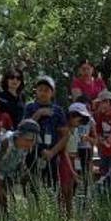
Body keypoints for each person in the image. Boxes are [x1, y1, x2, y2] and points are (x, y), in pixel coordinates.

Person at [23, 76, 72, 205]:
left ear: (52, 93)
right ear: (36, 91)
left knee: (52, 190)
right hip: (33, 155)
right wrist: (38, 114)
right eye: (40, 89)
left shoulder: (58, 110)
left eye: (47, 90)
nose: (43, 93)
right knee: (33, 190)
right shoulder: (30, 108)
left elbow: (65, 135)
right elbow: (23, 131)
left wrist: (53, 152)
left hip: (52, 156)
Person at [0, 119, 41, 211]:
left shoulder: (26, 147)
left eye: (32, 141)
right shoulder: (5, 142)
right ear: (19, 135)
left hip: (10, 176)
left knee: (10, 208)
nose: (30, 144)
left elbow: (20, 162)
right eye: (27, 140)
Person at [66, 102, 94, 183]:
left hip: (74, 160)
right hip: (66, 162)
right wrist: (71, 170)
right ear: (72, 116)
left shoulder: (75, 130)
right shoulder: (65, 131)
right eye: (80, 120)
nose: (80, 124)